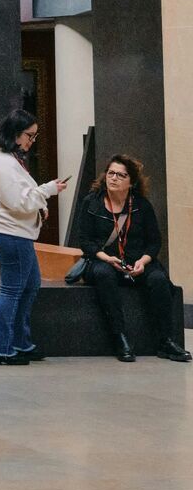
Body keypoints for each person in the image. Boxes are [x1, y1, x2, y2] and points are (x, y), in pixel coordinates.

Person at [72, 155, 191, 363]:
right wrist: (107, 258)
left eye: (121, 175)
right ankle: (120, 338)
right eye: (111, 173)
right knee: (103, 274)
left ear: (131, 182)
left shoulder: (141, 206)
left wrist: (143, 262)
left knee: (159, 279)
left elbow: (154, 242)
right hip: (103, 260)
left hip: (136, 260)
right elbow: (85, 242)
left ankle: (166, 341)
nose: (114, 178)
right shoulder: (92, 203)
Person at [0, 109, 67, 366]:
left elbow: (19, 196)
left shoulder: (6, 158)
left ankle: (19, 342)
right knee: (13, 290)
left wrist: (40, 204)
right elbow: (17, 201)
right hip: (9, 233)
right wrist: (47, 191)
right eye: (30, 135)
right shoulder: (3, 163)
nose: (31, 141)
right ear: (15, 133)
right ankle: (0, 349)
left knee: (29, 285)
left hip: (12, 231)